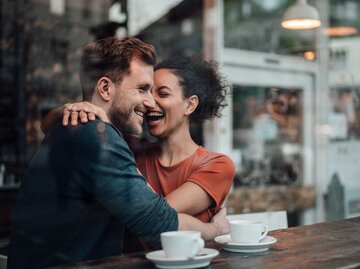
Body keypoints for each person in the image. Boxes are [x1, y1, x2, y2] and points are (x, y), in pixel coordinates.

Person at [7, 37, 228, 269]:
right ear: (105, 88)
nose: (150, 102)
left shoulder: (81, 129)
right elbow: (159, 223)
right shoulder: (95, 135)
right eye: (143, 89)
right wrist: (217, 229)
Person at [44, 56, 235, 251]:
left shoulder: (218, 165)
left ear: (190, 105)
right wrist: (71, 110)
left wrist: (213, 230)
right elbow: (48, 126)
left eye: (163, 93)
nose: (150, 103)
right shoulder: (131, 147)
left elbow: (156, 214)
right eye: (147, 93)